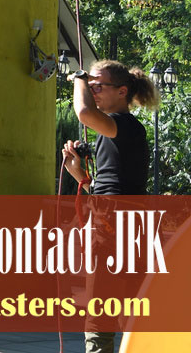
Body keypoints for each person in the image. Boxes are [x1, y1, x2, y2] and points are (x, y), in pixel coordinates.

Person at [62, 60, 160, 353]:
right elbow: (114, 187)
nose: (92, 91)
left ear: (122, 91)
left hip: (114, 222)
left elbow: (83, 112)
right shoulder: (119, 130)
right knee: (124, 304)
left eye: (97, 85)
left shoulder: (125, 125)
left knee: (101, 306)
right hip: (124, 220)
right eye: (90, 86)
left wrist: (78, 78)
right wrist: (81, 176)